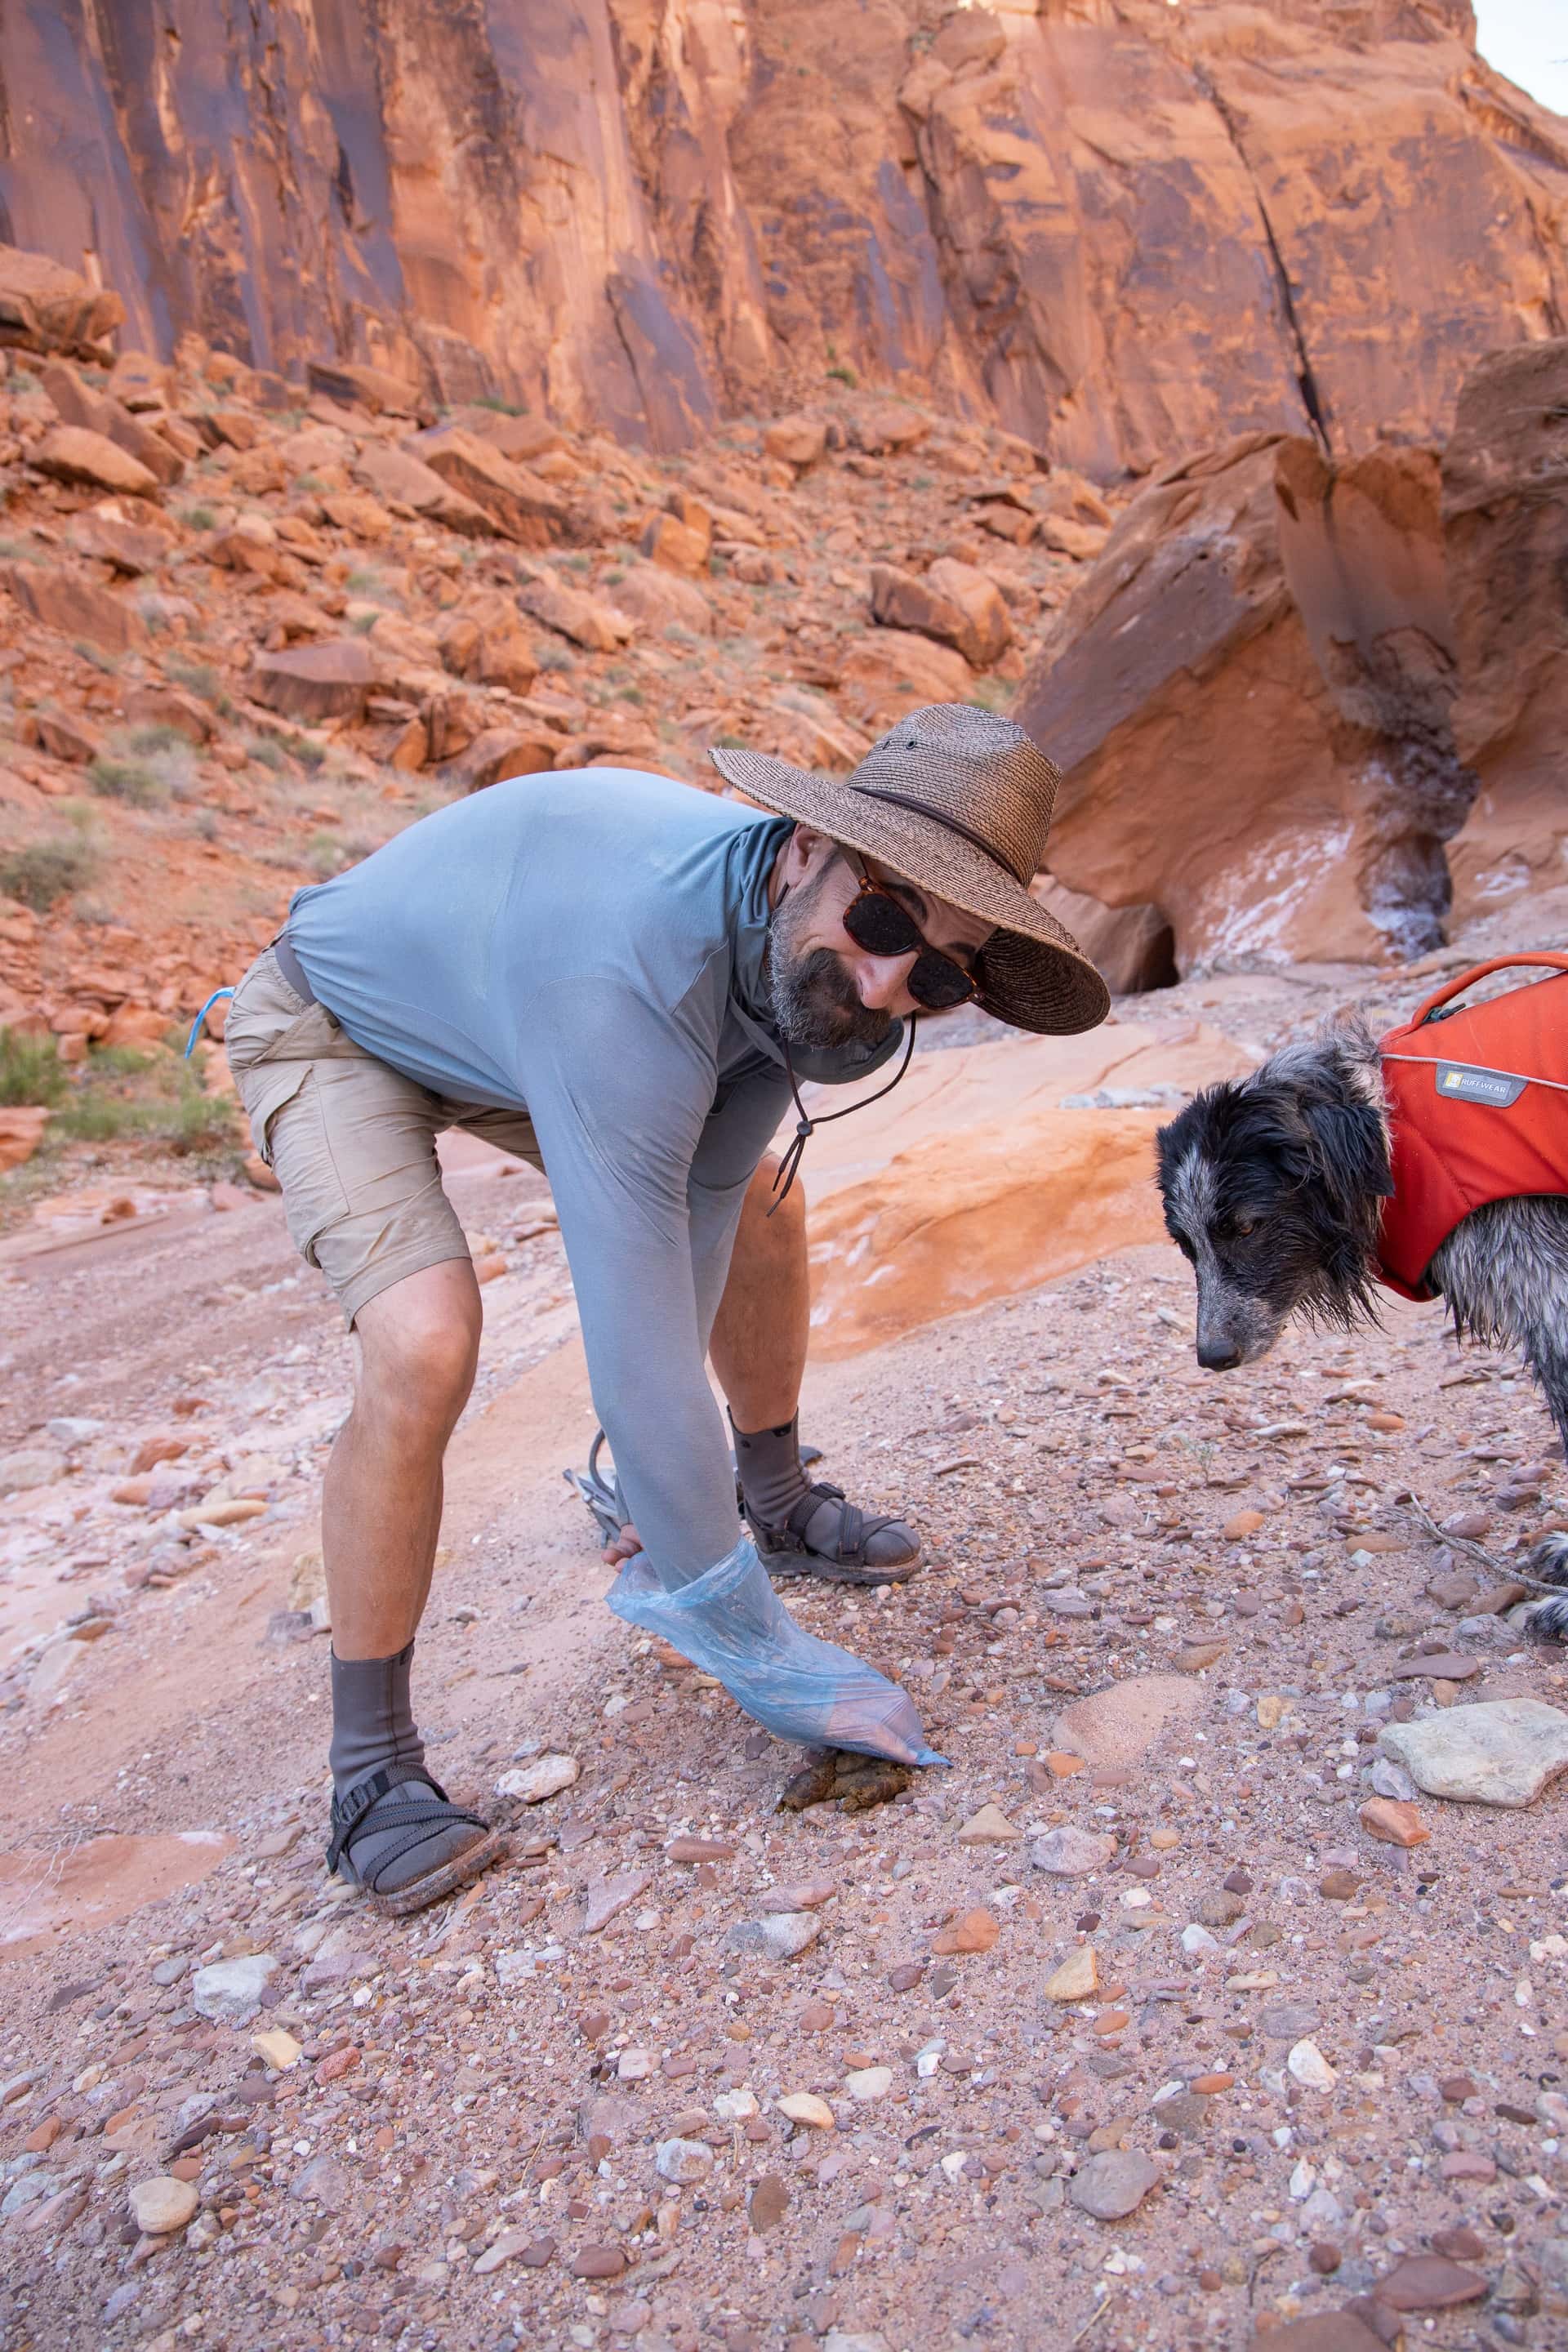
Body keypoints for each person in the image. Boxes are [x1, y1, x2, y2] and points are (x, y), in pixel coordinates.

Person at [223, 702, 1107, 1913]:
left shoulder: (796, 962)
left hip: (502, 1024)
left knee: (754, 1197)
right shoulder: (642, 964)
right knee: (425, 1342)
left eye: (942, 971)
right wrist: (746, 1640)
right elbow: (632, 1329)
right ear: (804, 848)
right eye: (887, 915)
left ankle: (774, 1494)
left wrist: (675, 1493)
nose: (891, 978)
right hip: (342, 1030)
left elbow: (692, 1213)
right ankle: (371, 1773)